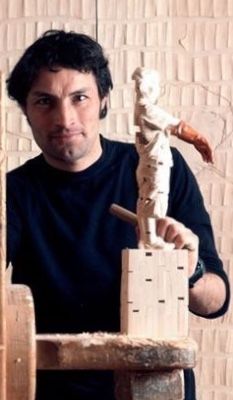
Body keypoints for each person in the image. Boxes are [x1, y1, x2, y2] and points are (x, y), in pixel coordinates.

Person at [6, 30, 230, 400]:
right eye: (45, 101)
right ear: (26, 111)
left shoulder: (161, 169)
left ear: (104, 100)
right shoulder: (12, 193)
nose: (65, 118)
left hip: (153, 386)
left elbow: (215, 301)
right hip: (53, 388)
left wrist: (190, 270)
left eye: (80, 98)